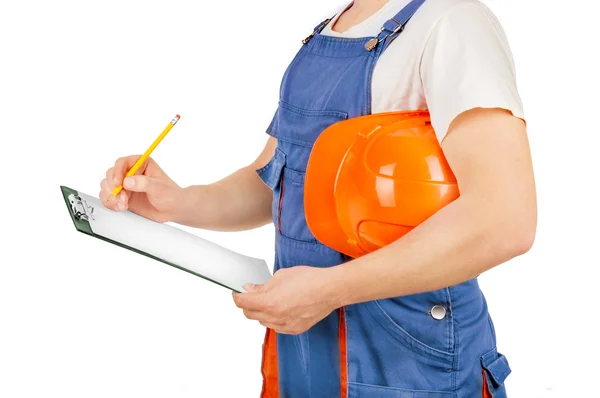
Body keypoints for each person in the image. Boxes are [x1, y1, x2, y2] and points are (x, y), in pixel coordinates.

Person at [99, 0, 536, 396]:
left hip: (411, 359)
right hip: (305, 351)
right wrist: (178, 202)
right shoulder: (327, 32)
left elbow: (504, 219)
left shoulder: (452, 23)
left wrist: (329, 290)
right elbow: (274, 179)